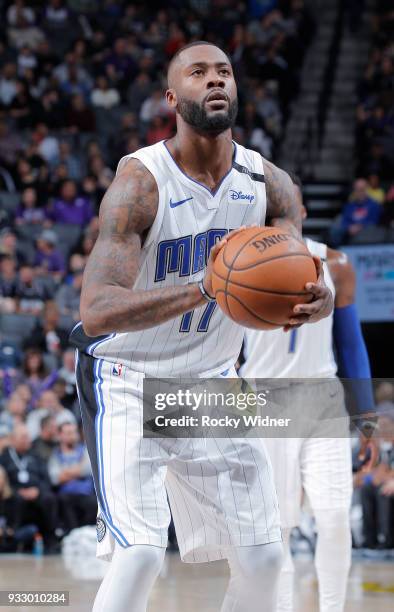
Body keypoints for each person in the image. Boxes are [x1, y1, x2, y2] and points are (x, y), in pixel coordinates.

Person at [70, 41, 333, 612]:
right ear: (171, 97)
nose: (214, 81)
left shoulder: (271, 184)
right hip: (125, 376)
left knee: (265, 558)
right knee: (139, 555)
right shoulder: (141, 183)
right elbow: (96, 311)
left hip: (210, 380)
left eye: (224, 72)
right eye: (197, 73)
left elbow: (297, 274)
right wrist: (205, 288)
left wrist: (319, 298)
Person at [240, 176, 378, 612]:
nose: (283, 216)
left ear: (301, 212)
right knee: (276, 524)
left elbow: (352, 344)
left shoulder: (334, 263)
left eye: (289, 206)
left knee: (335, 516)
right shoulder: (236, 265)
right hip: (264, 400)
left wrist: (367, 416)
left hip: (323, 398)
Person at [0, 423, 59, 553]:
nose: (27, 440)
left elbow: (46, 479)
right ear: (13, 439)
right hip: (14, 493)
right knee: (14, 499)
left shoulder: (36, 455)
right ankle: (14, 540)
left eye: (28, 437)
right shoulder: (4, 457)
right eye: (23, 437)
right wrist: (17, 491)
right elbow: (4, 482)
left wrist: (38, 490)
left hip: (37, 492)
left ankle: (51, 540)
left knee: (49, 499)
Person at [48, 422, 96, 534]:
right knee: (63, 502)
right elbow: (55, 478)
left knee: (94, 504)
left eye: (74, 433)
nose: (73, 436)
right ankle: (72, 536)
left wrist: (66, 472)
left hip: (86, 494)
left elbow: (88, 469)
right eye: (68, 433)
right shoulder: (55, 454)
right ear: (60, 435)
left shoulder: (85, 450)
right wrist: (78, 469)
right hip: (66, 495)